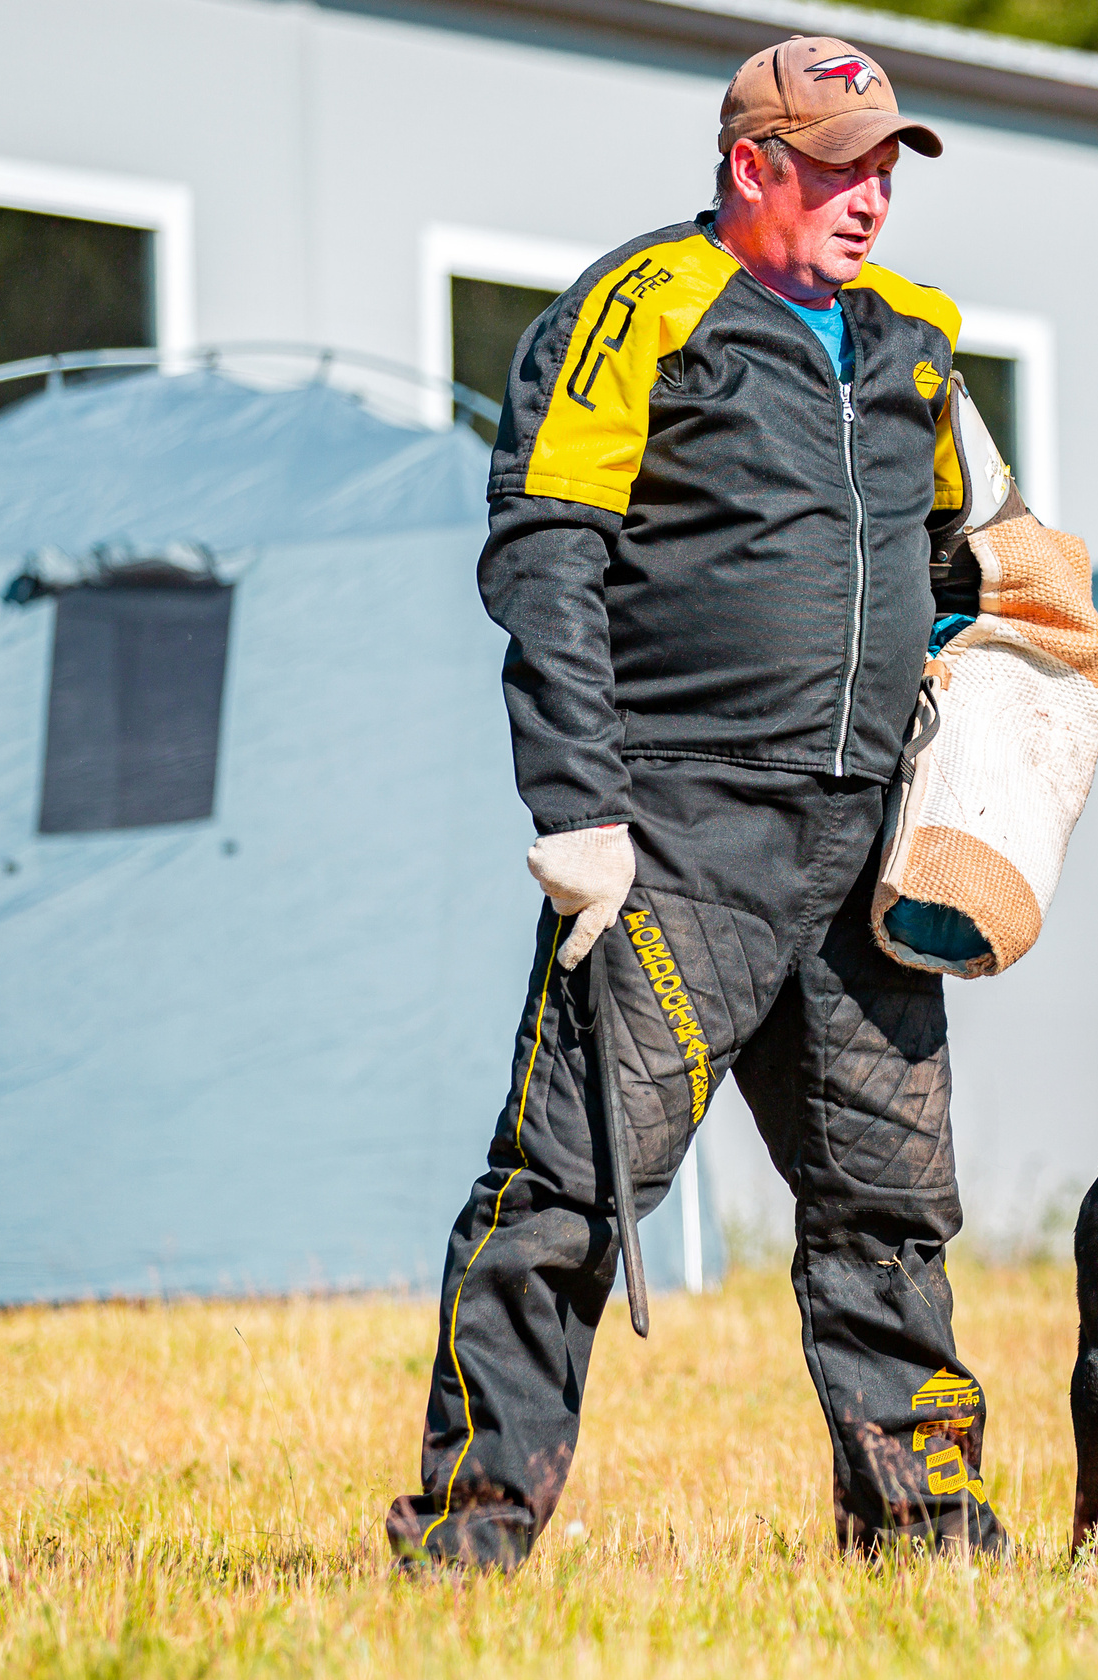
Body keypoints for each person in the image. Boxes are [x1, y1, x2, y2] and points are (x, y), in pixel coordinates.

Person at [387, 33, 1012, 1568]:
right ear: (753, 166)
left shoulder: (914, 340)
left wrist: (1004, 651)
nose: (872, 198)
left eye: (886, 168)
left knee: (893, 1206)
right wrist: (578, 804)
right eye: (843, 166)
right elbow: (545, 553)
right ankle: (471, 1537)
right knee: (564, 1202)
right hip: (676, 842)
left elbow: (954, 560)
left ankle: (925, 1531)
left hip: (869, 850)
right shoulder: (637, 311)